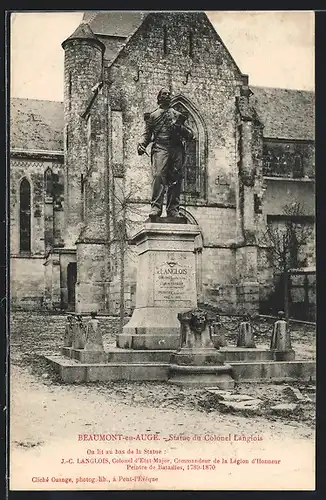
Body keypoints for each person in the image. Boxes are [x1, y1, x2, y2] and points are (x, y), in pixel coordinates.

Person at [137, 88, 194, 218]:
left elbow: (190, 135)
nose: (167, 96)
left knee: (176, 178)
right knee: (158, 176)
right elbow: (146, 134)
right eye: (164, 94)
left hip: (176, 149)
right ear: (159, 97)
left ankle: (173, 209)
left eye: (169, 94)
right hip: (160, 147)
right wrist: (141, 144)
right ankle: (156, 207)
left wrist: (179, 127)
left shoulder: (178, 115)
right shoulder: (153, 116)